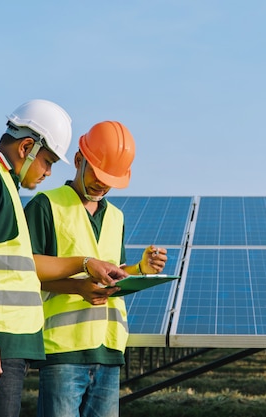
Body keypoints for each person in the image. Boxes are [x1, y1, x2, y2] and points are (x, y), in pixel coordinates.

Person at [0, 100, 126, 417]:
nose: (48, 172)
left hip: (3, 345)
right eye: (47, 161)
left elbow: (25, 266)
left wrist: (86, 263)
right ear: (27, 147)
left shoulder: (5, 184)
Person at [24, 120, 168, 417]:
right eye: (98, 174)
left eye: (110, 179)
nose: (102, 185)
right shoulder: (45, 205)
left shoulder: (116, 217)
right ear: (78, 160)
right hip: (63, 351)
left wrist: (141, 268)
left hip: (109, 350)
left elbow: (112, 272)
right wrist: (77, 287)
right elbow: (25, 271)